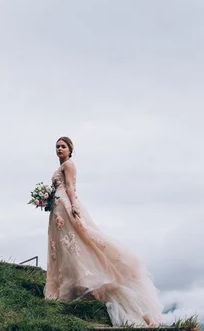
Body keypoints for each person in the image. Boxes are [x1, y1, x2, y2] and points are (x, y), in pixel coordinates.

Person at [44, 136, 162, 327]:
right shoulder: (61, 166)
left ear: (70, 150)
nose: (59, 149)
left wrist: (74, 206)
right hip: (57, 211)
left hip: (65, 208)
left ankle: (81, 282)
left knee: (75, 243)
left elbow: (71, 187)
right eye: (57, 146)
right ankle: (67, 285)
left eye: (63, 146)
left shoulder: (68, 165)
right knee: (63, 247)